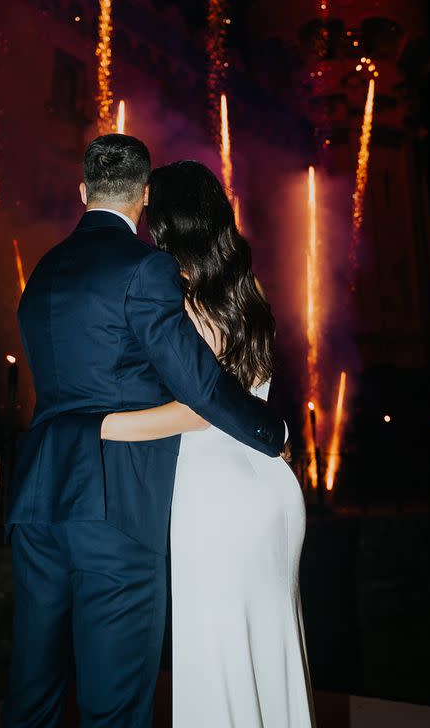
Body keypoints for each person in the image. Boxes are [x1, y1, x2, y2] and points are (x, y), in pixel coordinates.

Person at [2, 135, 287, 728]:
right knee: (114, 702)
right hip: (115, 502)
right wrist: (269, 427)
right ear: (146, 195)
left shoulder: (43, 271)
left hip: (35, 500)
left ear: (83, 192)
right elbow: (200, 386)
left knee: (33, 689)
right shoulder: (146, 268)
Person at [101, 161, 316, 727]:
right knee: (271, 654)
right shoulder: (247, 287)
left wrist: (107, 424)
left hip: (216, 495)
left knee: (216, 661)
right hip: (272, 487)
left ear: (168, 223)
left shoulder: (184, 299)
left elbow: (203, 409)